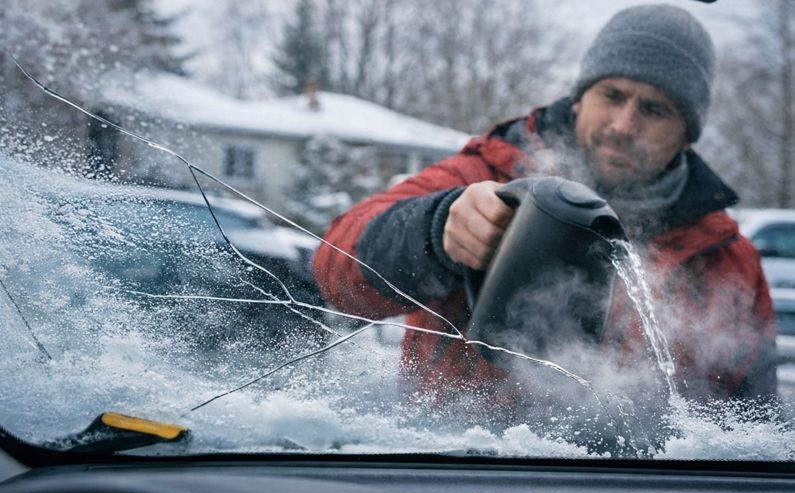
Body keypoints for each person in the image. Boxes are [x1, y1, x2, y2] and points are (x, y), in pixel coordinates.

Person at [312, 4, 777, 415]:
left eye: (654, 110)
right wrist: (436, 229)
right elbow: (335, 273)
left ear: (686, 133)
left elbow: (753, 428)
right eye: (611, 95)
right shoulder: (487, 176)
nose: (623, 124)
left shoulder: (727, 260)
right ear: (579, 100)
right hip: (455, 477)